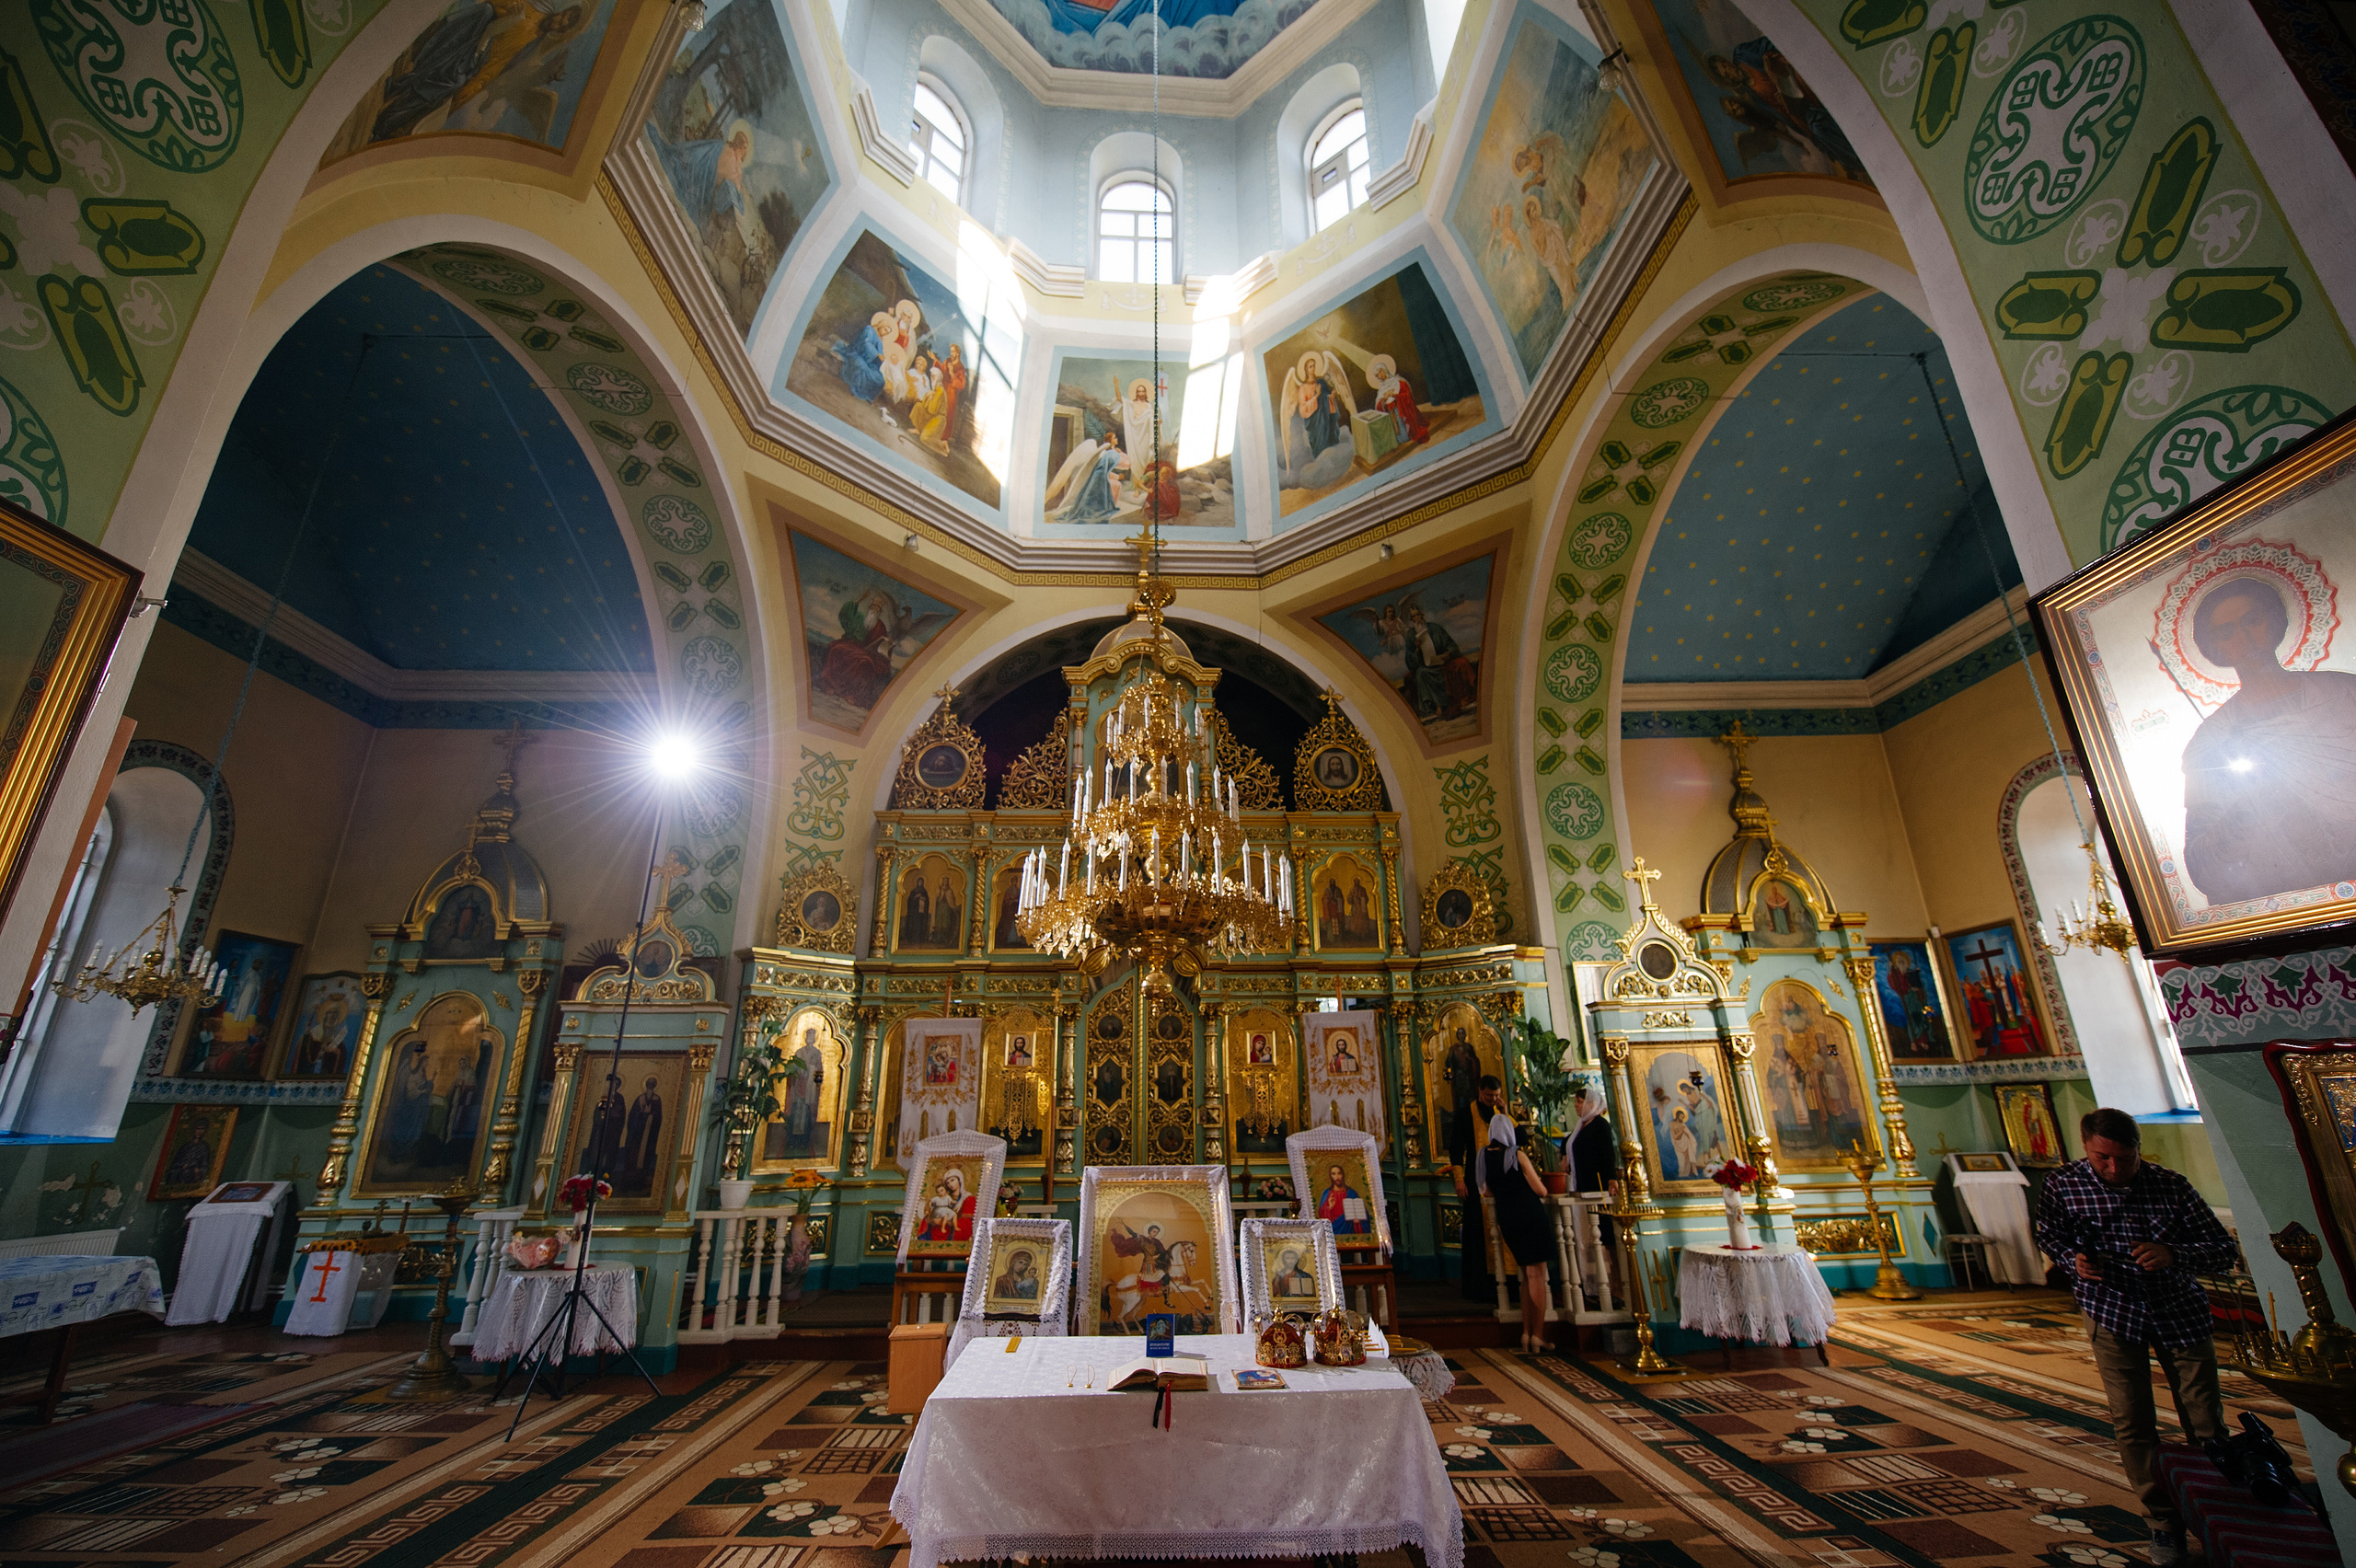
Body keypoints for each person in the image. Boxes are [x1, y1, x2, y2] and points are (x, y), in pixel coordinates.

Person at [2033, 1108, 2235, 1567]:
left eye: (2125, 1159)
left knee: (2205, 1421)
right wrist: (2073, 1263)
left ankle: (2222, 1517)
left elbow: (2224, 1251)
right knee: (2134, 1421)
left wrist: (2173, 1254)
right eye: (2103, 1158)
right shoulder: (2063, 1185)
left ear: (2138, 1149)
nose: (2115, 1169)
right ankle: (2164, 1526)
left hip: (2178, 1310)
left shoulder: (2171, 1185)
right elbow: (2050, 1234)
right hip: (2111, 1310)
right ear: (2085, 1146)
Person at [2177, 575, 2356, 905]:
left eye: (2252, 620)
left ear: (2273, 620)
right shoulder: (2210, 742)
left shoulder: (2345, 693)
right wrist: (2246, 809)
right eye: (2227, 631)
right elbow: (2204, 869)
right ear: (2215, 646)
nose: (2244, 637)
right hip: (2290, 906)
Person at [1482, 1100, 1555, 1355]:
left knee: (1525, 1277)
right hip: (1530, 1215)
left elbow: (1487, 1191)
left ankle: (1525, 1333)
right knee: (1537, 1276)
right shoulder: (1517, 1154)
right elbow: (1540, 1189)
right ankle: (1539, 1335)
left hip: (1508, 1218)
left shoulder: (1483, 1156)